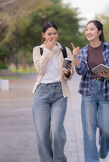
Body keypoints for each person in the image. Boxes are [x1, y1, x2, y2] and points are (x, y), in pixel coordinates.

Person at [71, 20, 109, 162]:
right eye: (86, 30)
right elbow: (81, 71)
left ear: (99, 32)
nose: (88, 32)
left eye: (91, 29)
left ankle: (103, 152)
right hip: (88, 91)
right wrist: (75, 57)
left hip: (106, 91)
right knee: (89, 132)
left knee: (107, 129)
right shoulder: (84, 51)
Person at [32, 21, 74, 162]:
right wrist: (48, 50)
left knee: (56, 130)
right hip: (41, 93)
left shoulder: (65, 50)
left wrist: (68, 72)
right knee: (42, 132)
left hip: (59, 93)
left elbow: (69, 75)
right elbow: (40, 70)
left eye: (54, 33)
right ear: (43, 35)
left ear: (58, 34)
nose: (52, 36)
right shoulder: (38, 50)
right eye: (49, 34)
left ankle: (60, 159)